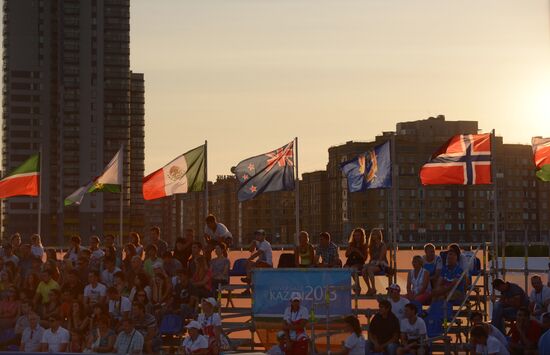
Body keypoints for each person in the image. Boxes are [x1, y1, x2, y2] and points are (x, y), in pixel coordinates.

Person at [362, 228, 389, 296]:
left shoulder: (383, 245)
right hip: (374, 263)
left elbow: (381, 258)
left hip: (382, 264)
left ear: (379, 235)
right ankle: (369, 288)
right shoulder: (371, 246)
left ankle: (374, 288)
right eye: (372, 234)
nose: (373, 236)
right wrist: (369, 264)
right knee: (364, 270)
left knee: (369, 269)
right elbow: (371, 258)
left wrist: (371, 264)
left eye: (375, 234)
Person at [345, 228, 368, 295]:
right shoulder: (351, 244)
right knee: (345, 269)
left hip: (359, 263)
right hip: (350, 261)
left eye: (358, 235)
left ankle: (357, 286)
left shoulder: (364, 245)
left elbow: (365, 258)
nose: (356, 237)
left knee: (353, 269)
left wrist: (358, 251)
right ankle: (350, 287)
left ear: (361, 236)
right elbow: (346, 255)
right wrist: (351, 250)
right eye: (355, 235)